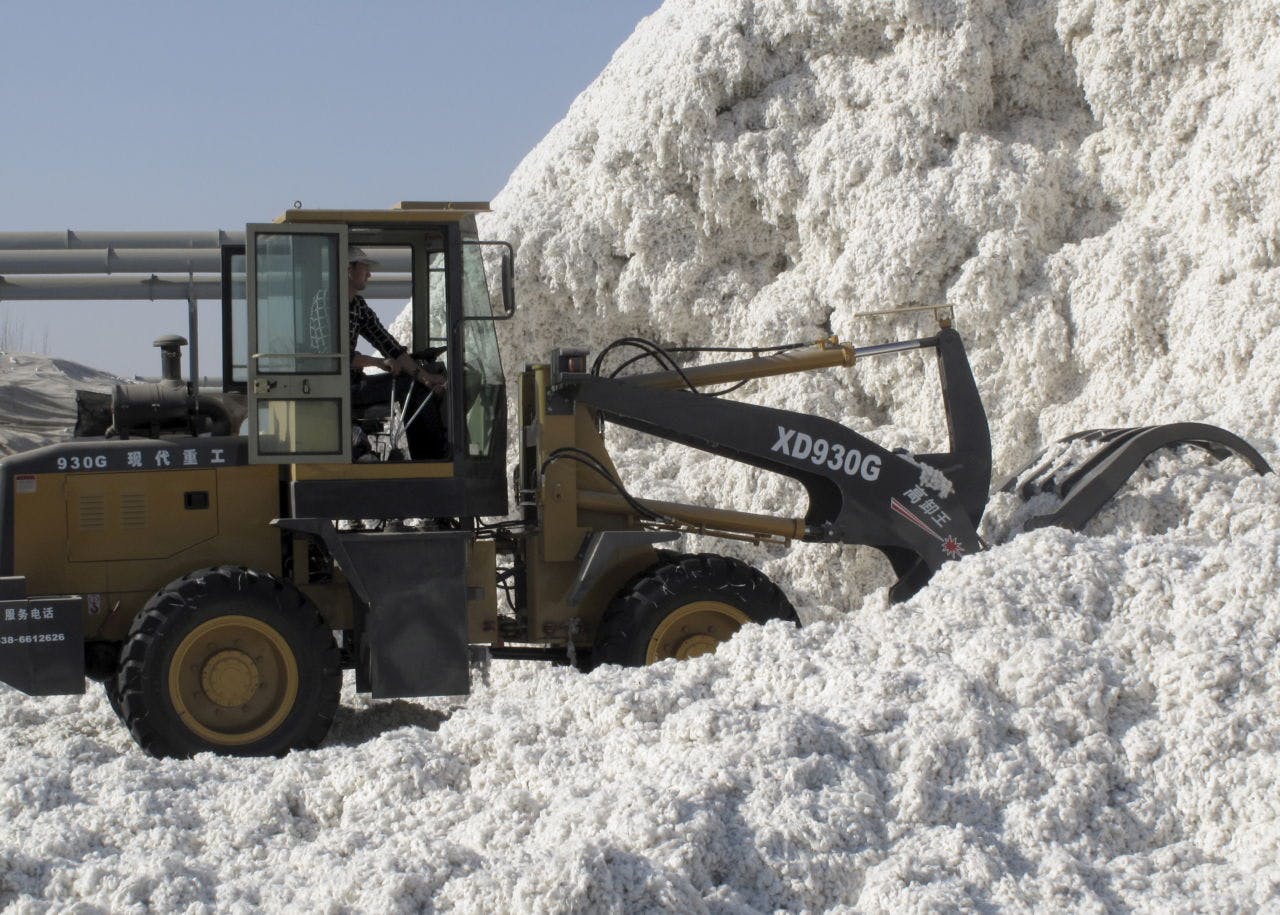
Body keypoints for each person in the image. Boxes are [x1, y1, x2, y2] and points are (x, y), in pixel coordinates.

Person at [347, 246, 448, 459]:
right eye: (365, 268)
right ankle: (432, 459)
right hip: (341, 390)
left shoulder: (358, 307)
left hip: (355, 383)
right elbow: (337, 358)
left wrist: (425, 376)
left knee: (418, 381)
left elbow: (389, 345)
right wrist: (378, 362)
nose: (370, 274)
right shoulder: (327, 305)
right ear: (349, 269)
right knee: (410, 386)